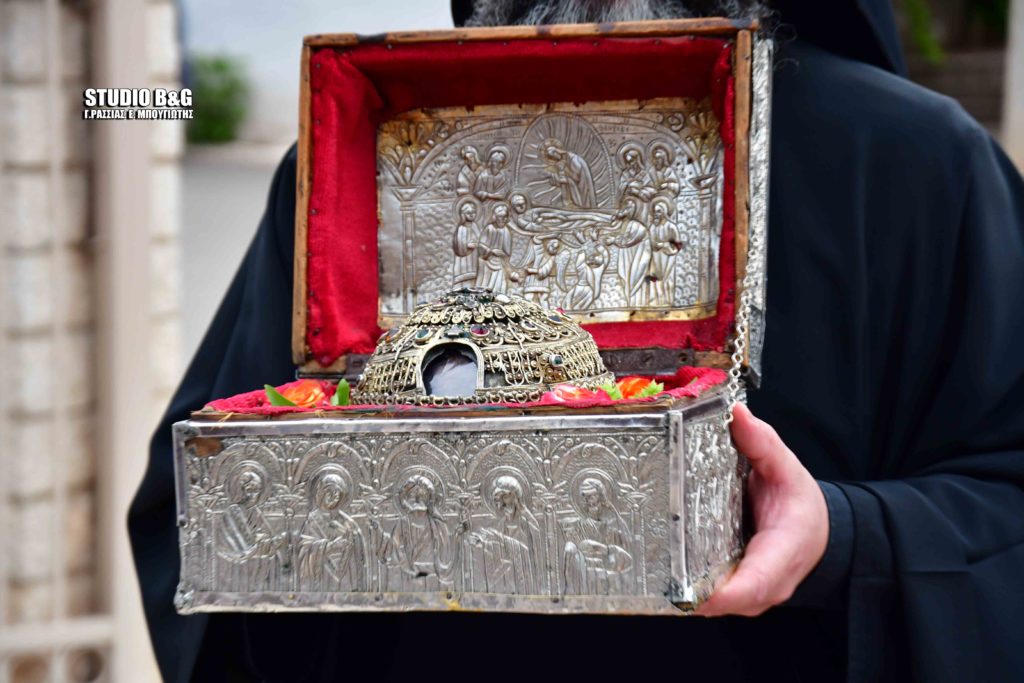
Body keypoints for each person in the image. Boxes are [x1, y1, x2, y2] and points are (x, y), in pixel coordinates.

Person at [129, 1, 1024, 681]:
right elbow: (196, 497)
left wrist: (843, 533)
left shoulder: (918, 167)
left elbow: (1003, 498)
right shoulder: (354, 164)